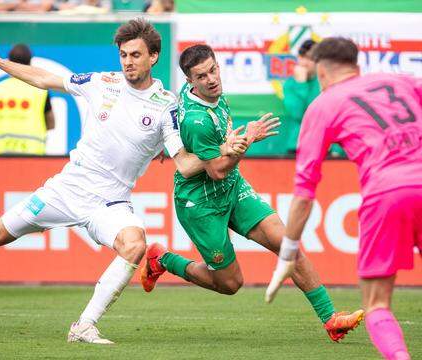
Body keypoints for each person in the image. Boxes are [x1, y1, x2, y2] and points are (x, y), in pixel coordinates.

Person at [0, 19, 241, 345]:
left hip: (111, 201)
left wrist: (221, 150)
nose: (128, 62)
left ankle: (84, 326)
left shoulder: (166, 105)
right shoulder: (102, 82)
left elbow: (183, 163)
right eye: (124, 55)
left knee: (135, 244)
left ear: (153, 57)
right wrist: (0, 62)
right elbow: (44, 79)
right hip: (67, 189)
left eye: (136, 55)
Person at [141, 44, 364, 342]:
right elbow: (216, 169)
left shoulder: (211, 95)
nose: (211, 79)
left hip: (233, 189)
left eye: (213, 70)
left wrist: (236, 143)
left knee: (288, 246)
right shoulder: (198, 121)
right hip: (201, 204)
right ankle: (163, 260)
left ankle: (331, 319)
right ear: (189, 81)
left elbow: (221, 165)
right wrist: (246, 142)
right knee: (231, 283)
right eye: (202, 76)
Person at [267, 37, 422, 359]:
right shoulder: (403, 81)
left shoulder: (324, 104)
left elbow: (305, 190)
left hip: (387, 193)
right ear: (357, 65)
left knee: (378, 303)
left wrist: (287, 254)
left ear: (321, 72)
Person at [0, 44, 55, 155]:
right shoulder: (40, 91)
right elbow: (51, 123)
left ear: (9, 62)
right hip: (31, 152)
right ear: (30, 63)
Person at [283, 39, 344, 157]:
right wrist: (301, 84)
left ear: (318, 62)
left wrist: (337, 149)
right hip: (297, 145)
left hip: (324, 146)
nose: (305, 63)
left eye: (310, 58)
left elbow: (333, 116)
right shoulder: (290, 84)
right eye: (302, 57)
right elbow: (299, 114)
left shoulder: (326, 82)